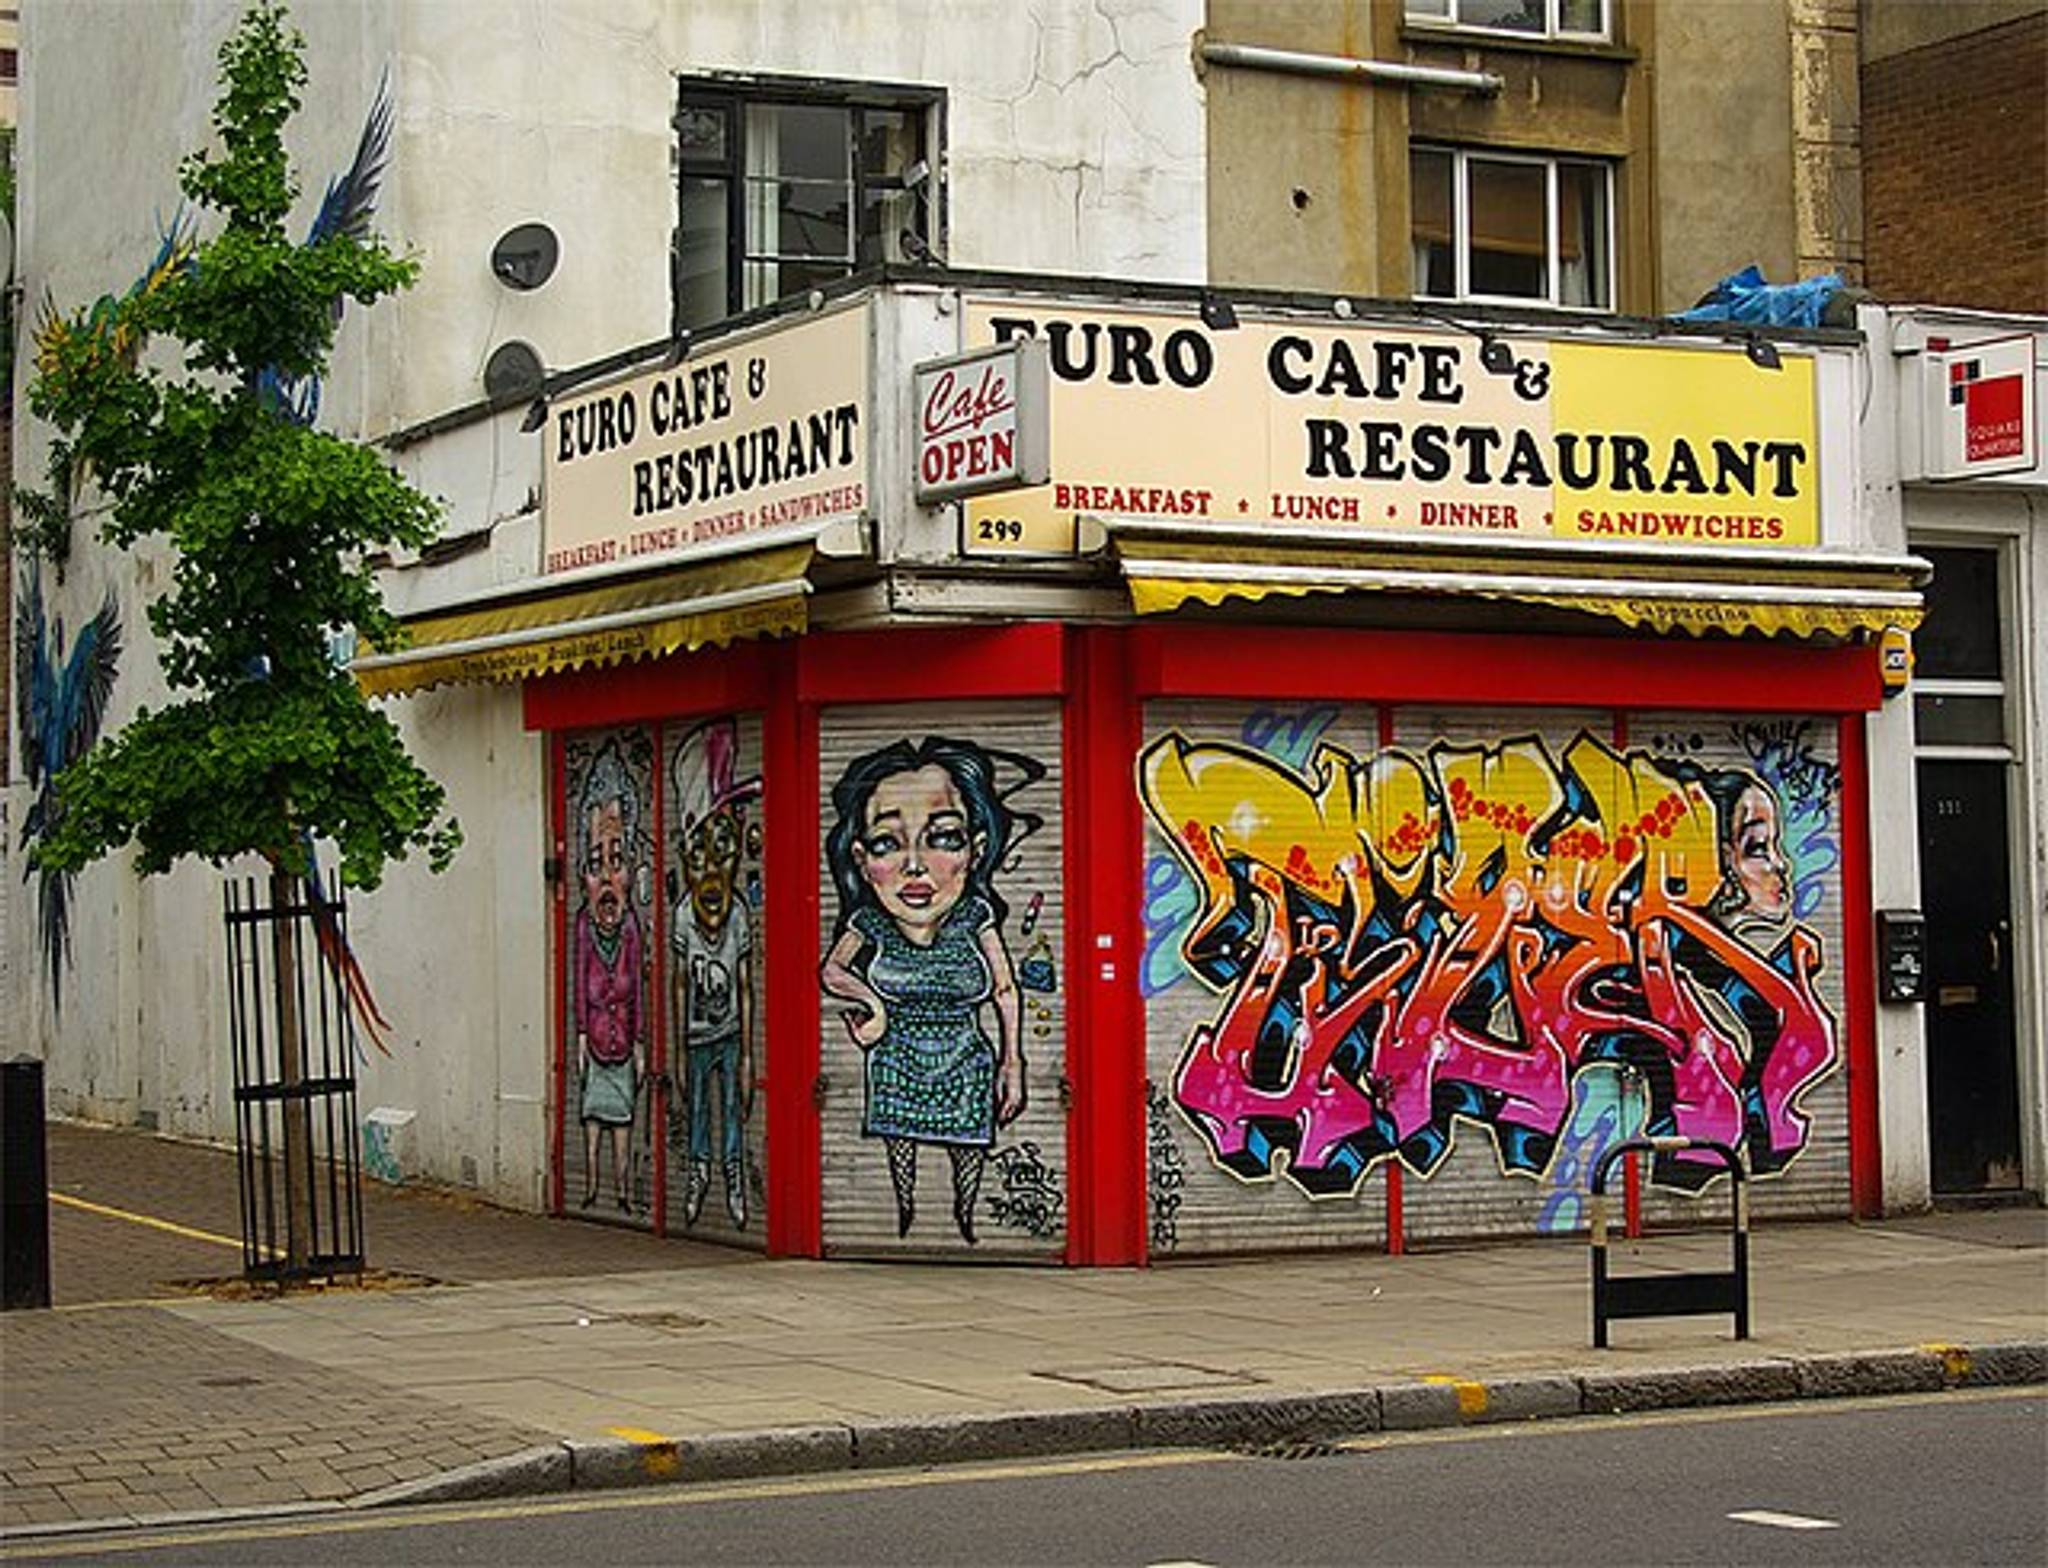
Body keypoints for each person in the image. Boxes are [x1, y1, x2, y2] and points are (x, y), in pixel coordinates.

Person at [821, 737, 1040, 1243]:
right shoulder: (870, 922)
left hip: (966, 1061)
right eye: (887, 843)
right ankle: (904, 1223)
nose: (915, 866)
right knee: (901, 1156)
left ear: (976, 850)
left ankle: (966, 1223)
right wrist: (872, 1002)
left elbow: (1005, 989)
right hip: (895, 1061)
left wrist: (1013, 1064)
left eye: (942, 837)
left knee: (969, 1154)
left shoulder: (974, 918)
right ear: (861, 859)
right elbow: (831, 970)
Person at [669, 718, 760, 1229]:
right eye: (698, 851)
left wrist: (747, 1055)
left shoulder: (739, 915)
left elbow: (745, 985)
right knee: (700, 1110)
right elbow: (680, 982)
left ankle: (733, 1177)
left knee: (731, 1110)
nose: (709, 867)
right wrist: (680, 1053)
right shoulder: (683, 914)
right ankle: (698, 1176)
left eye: (722, 848)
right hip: (698, 1035)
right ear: (685, 857)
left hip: (727, 1034)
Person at [573, 740, 645, 1213]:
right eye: (595, 864)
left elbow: (640, 987)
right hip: (597, 1042)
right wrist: (582, 1033)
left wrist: (639, 1041)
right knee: (593, 1122)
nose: (605, 881)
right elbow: (578, 983)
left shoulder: (632, 928)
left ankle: (619, 1192)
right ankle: (591, 1188)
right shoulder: (583, 926)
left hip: (621, 1046)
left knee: (622, 1123)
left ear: (632, 872)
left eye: (616, 862)